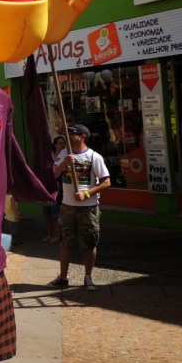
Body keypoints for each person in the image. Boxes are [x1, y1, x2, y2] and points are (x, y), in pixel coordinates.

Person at [47, 124, 111, 291]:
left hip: (87, 208)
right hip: (67, 206)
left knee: (88, 243)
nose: (68, 136)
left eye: (72, 133)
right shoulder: (64, 153)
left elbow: (106, 182)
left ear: (82, 137)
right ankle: (62, 277)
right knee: (65, 242)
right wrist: (64, 164)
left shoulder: (94, 157)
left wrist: (87, 194)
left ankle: (88, 277)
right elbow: (54, 174)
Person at [42, 135, 66, 243]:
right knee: (47, 212)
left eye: (63, 143)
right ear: (55, 145)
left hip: (59, 187)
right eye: (60, 143)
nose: (62, 145)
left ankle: (56, 234)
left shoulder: (66, 155)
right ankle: (49, 233)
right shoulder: (49, 156)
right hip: (47, 186)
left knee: (55, 213)